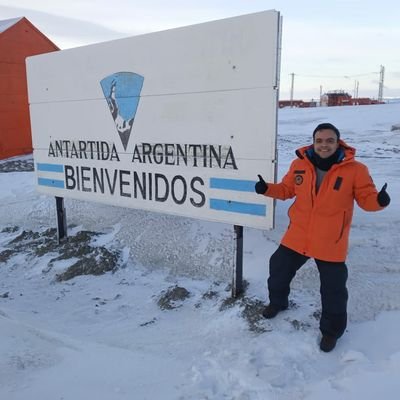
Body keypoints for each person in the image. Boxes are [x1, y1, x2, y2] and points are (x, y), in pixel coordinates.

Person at [255, 123, 390, 352]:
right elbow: (287, 190)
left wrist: (379, 201)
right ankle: (277, 302)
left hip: (331, 240)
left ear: (338, 143)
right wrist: (267, 188)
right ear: (313, 142)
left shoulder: (356, 170)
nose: (324, 145)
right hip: (298, 235)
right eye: (319, 141)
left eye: (329, 140)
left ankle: (331, 331)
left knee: (333, 289)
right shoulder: (299, 164)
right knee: (278, 266)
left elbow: (366, 199)